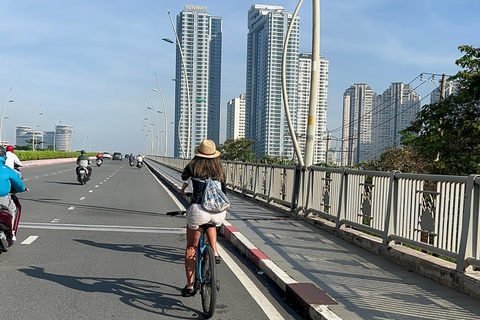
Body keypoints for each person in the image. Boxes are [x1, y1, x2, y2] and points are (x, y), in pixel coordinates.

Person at [179, 139, 227, 297]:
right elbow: (224, 192)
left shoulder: (194, 166)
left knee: (191, 247)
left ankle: (190, 285)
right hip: (218, 212)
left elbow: (183, 176)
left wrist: (195, 161)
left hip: (199, 209)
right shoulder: (219, 169)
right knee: (211, 223)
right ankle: (214, 251)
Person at [0, 146, 26, 241]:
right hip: (3, 197)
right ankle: (11, 232)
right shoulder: (7, 169)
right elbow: (19, 185)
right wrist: (22, 189)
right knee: (12, 209)